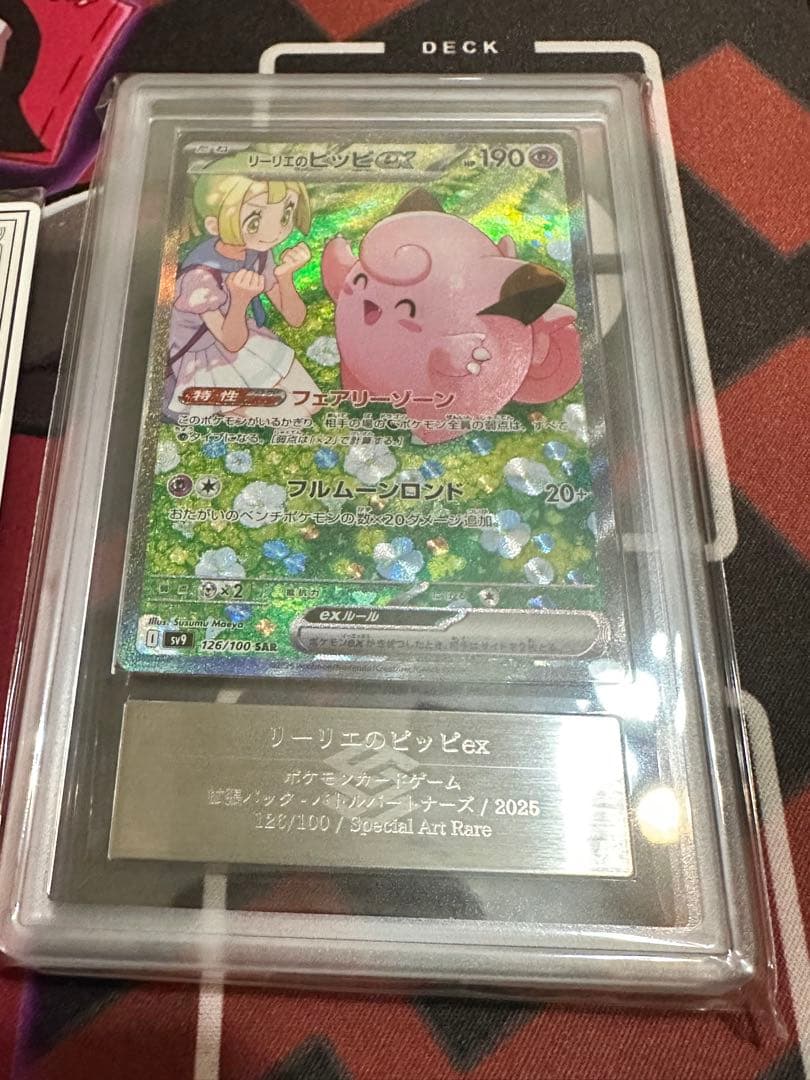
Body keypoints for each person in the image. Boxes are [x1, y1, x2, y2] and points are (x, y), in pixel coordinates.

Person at [166, 151, 321, 420]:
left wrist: (285, 277)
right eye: (255, 221)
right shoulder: (200, 276)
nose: (275, 232)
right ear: (214, 225)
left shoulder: (259, 253)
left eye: (285, 215)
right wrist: (239, 300)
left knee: (313, 403)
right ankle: (220, 408)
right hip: (203, 356)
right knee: (293, 417)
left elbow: (295, 318)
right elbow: (230, 342)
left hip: (245, 336)